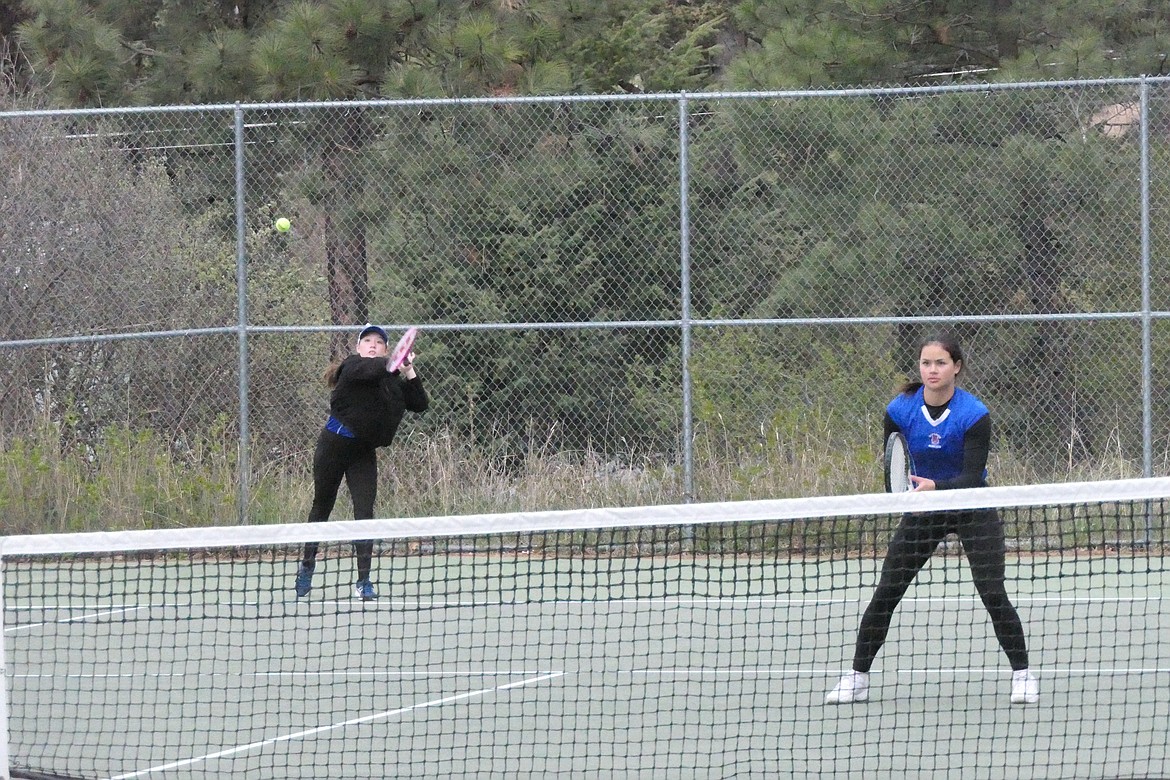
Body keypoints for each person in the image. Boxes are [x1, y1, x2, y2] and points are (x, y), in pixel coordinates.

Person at [826, 334, 1039, 705]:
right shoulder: (899, 410)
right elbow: (893, 464)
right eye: (926, 363)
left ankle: (1023, 674)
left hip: (973, 507)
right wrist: (907, 500)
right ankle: (857, 677)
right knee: (887, 591)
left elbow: (973, 475)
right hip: (923, 509)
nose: (932, 370)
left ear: (956, 367)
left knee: (992, 591)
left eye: (940, 363)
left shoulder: (974, 414)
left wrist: (935, 487)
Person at [294, 324, 429, 600]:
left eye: (379, 342)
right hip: (333, 446)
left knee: (364, 514)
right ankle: (307, 565)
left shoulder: (391, 381)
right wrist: (392, 362)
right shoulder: (352, 366)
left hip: (362, 453)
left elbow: (419, 403)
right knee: (321, 508)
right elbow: (372, 369)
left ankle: (364, 581)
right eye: (367, 340)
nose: (372, 345)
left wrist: (408, 371)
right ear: (358, 347)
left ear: (385, 348)